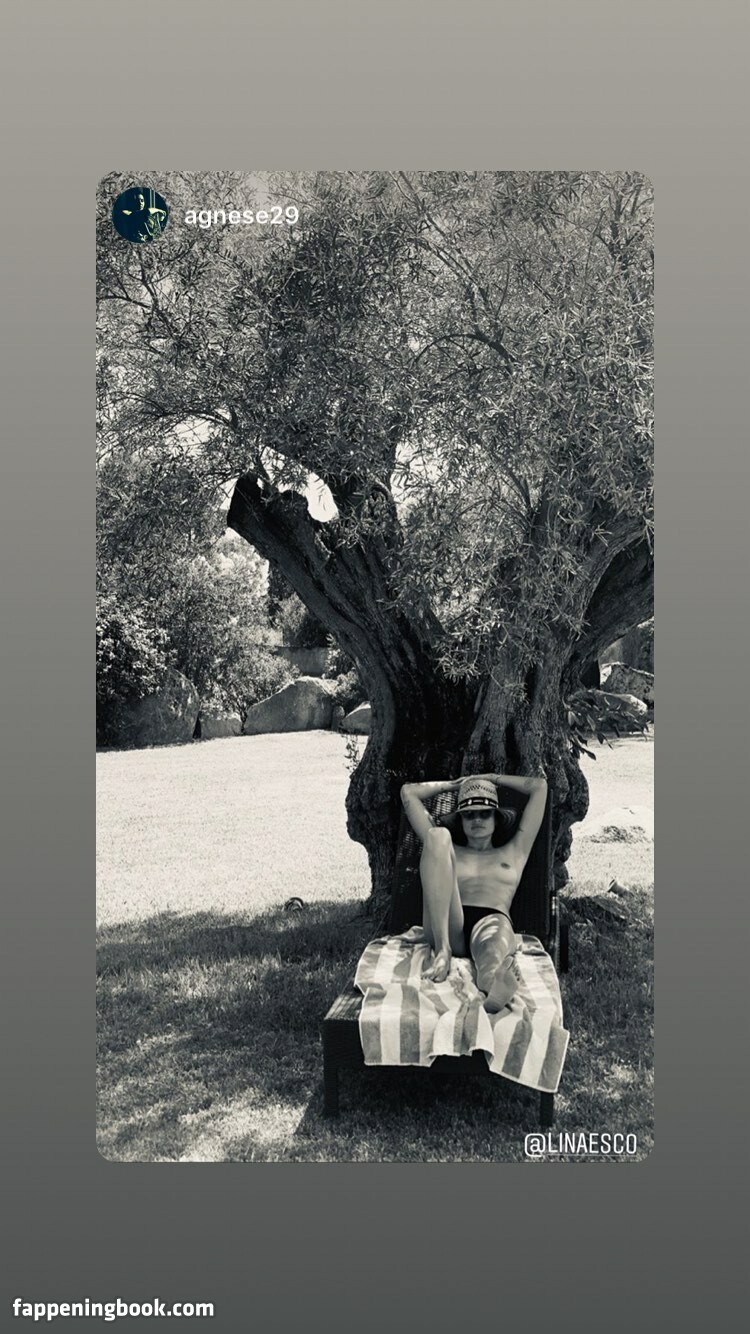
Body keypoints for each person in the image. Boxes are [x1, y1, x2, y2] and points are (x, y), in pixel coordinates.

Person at [399, 772, 548, 1012]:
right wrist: (454, 785)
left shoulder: (515, 851)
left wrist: (491, 778)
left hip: (492, 920)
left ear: (496, 818)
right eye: (468, 814)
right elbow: (409, 792)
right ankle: (443, 952)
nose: (476, 819)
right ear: (460, 820)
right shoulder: (450, 851)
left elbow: (540, 787)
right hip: (448, 921)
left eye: (484, 813)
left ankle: (494, 987)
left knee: (492, 953)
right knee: (437, 835)